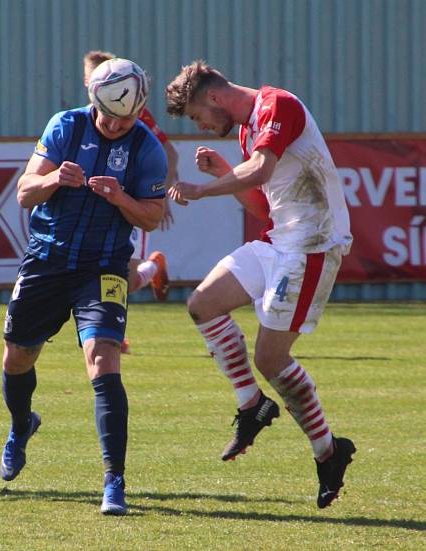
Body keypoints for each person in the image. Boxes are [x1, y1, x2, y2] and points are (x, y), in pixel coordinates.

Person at [165, 60, 355, 508]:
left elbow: (261, 172)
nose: (202, 125)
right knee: (203, 305)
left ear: (212, 97)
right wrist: (220, 176)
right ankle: (252, 405)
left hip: (311, 244)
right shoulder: (247, 130)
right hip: (280, 239)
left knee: (271, 359)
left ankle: (329, 452)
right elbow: (261, 205)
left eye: (196, 116)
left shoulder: (278, 105)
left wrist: (203, 188)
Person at [0, 58, 167, 515]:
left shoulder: (146, 147)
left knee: (103, 359)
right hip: (47, 262)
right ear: (94, 101)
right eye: (110, 116)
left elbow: (153, 214)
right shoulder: (65, 127)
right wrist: (54, 178)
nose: (117, 125)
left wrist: (121, 198)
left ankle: (115, 481)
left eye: (127, 118)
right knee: (18, 356)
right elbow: (23, 191)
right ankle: (21, 426)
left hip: (104, 267)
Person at [83, 51, 177, 354]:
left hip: (130, 204)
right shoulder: (82, 117)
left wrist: (160, 194)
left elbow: (169, 153)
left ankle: (152, 267)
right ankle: (107, 327)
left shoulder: (135, 114)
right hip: (97, 209)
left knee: (127, 277)